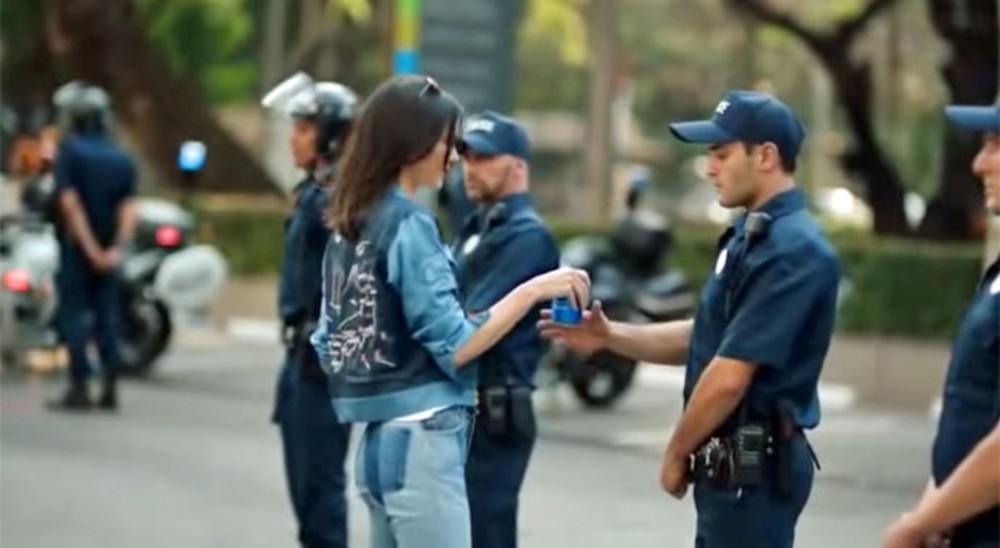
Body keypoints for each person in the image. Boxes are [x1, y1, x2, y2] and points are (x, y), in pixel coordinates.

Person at [540, 90, 839, 548]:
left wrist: (677, 449)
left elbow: (730, 375)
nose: (710, 167)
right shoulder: (751, 234)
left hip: (752, 473)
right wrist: (607, 335)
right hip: (731, 474)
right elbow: (706, 337)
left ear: (766, 156)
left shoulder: (793, 250)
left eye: (721, 154)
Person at [309, 74, 589, 548]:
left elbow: (327, 343)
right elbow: (457, 345)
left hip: (378, 442)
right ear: (415, 143)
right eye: (448, 141)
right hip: (423, 441)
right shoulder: (410, 223)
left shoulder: (351, 222)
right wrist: (534, 289)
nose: (455, 157)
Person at [882, 102, 1000, 548]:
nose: (978, 163)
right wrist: (937, 507)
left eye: (994, 146)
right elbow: (975, 408)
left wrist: (918, 525)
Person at [451, 111, 560, 548]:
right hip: (466, 406)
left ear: (517, 166)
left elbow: (469, 318)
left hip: (494, 410)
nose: (469, 169)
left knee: (484, 533)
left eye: (483, 158)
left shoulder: (527, 236)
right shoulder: (477, 226)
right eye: (466, 157)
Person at [262, 73, 358, 548]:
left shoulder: (339, 201)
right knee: (305, 494)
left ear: (332, 137)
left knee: (321, 496)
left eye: (303, 128)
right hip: (297, 358)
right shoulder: (312, 193)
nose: (292, 137)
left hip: (321, 366)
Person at [47, 80, 137, 412]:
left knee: (74, 314)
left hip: (78, 249)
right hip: (109, 250)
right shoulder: (119, 156)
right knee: (107, 314)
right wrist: (115, 249)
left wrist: (89, 248)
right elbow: (129, 208)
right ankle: (110, 383)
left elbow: (70, 205)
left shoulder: (71, 153)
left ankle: (80, 385)